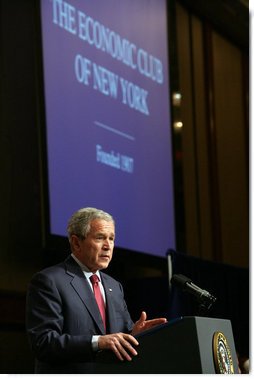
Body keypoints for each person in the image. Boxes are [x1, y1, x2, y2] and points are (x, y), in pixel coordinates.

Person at [26, 207, 167, 373]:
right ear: (76, 242)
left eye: (111, 238)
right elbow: (43, 343)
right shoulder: (49, 281)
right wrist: (97, 342)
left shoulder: (114, 286)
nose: (108, 246)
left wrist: (135, 334)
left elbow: (118, 336)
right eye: (100, 238)